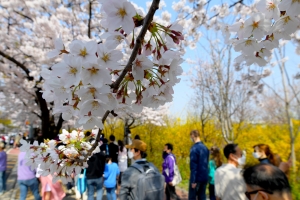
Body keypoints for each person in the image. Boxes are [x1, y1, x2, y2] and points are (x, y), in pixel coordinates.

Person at [188, 130, 209, 200]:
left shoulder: (194, 148)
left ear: (193, 136)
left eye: (191, 137)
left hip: (196, 178)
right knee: (202, 197)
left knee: (192, 197)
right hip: (204, 177)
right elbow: (206, 163)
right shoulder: (205, 148)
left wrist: (193, 180)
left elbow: (194, 165)